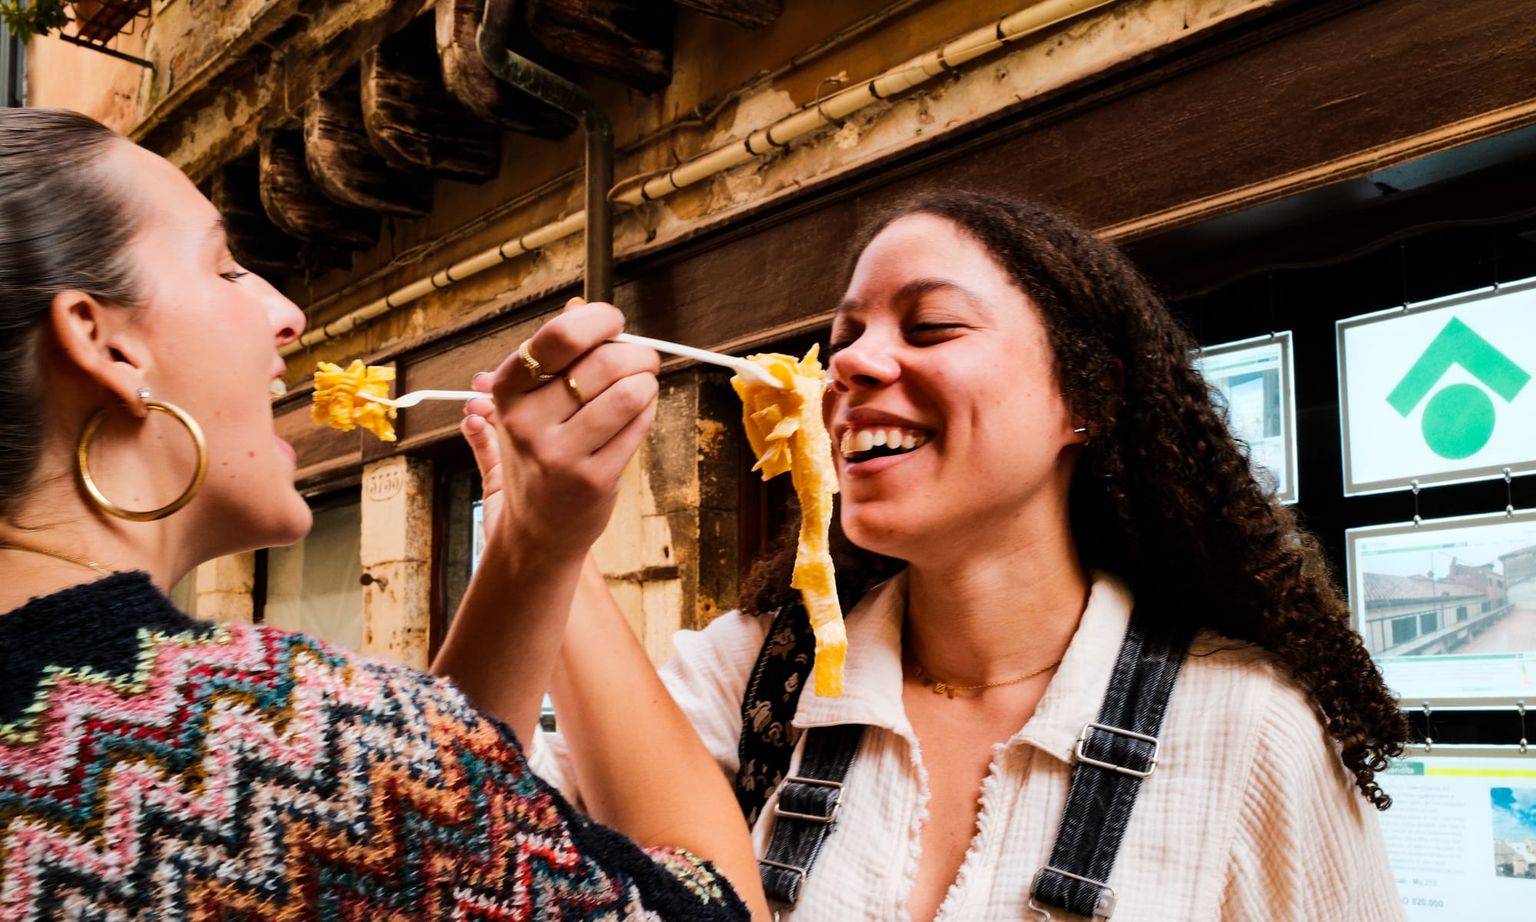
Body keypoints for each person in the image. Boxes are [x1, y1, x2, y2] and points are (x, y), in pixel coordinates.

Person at [453, 190, 1411, 920]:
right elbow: (460, 836)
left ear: (1090, 397)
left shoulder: (1247, 730)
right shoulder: (749, 680)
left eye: (932, 326)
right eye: (845, 337)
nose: (851, 366)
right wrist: (530, 524)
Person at [0, 107, 767, 921]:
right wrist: (553, 547)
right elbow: (710, 907)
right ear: (103, 342)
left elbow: (428, 847)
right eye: (225, 268)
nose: (286, 312)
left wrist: (535, 548)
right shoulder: (258, 736)